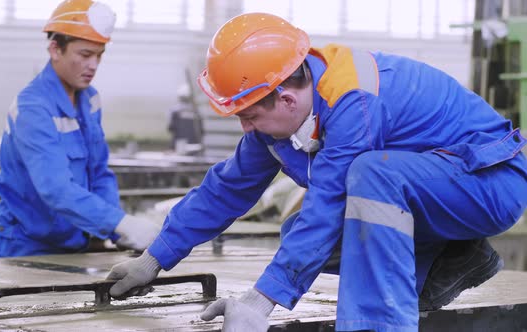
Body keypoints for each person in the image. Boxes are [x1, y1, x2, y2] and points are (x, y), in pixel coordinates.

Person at [105, 13, 527, 332]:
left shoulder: (353, 101)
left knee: (368, 178)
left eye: (248, 115)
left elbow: (328, 207)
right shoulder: (281, 115)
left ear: (286, 99)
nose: (245, 127)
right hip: (438, 192)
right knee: (296, 233)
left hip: (491, 183)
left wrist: (259, 302)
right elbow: (226, 189)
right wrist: (154, 258)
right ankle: (452, 259)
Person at [0, 0, 160, 257]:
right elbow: (56, 189)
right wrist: (121, 224)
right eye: (85, 55)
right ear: (55, 49)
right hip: (26, 247)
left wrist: (117, 230)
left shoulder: (90, 101)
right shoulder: (33, 107)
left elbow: (99, 173)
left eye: (99, 55)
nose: (93, 65)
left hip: (75, 245)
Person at [167, 84, 203, 153]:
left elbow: (171, 128)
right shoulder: (197, 113)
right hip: (194, 147)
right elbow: (201, 132)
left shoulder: (175, 112)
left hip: (179, 147)